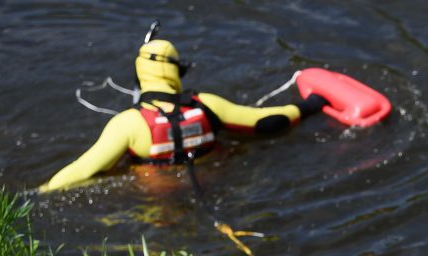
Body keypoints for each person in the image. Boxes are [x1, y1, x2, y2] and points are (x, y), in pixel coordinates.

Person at [40, 32, 328, 192]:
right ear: (175, 72)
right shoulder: (206, 104)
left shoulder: (128, 123)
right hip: (214, 184)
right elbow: (268, 122)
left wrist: (41, 193)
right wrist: (311, 105)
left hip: (155, 200)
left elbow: (83, 169)